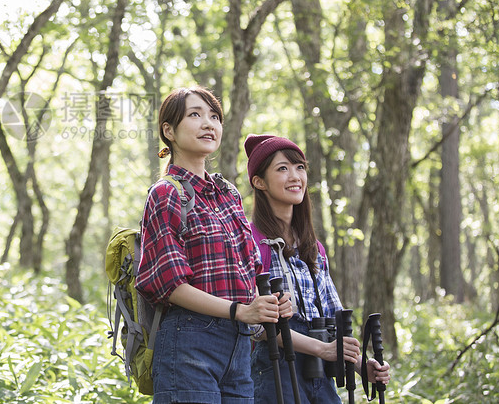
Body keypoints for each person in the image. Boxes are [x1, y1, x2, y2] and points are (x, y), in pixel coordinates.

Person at [136, 87, 292, 404]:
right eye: (195, 115)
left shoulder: (228, 194)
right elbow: (169, 285)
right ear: (169, 130)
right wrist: (241, 310)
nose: (209, 124)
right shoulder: (166, 193)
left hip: (239, 349)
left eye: (214, 116)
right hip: (188, 344)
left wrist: (269, 304)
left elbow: (249, 273)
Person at [243, 133, 391, 404]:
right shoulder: (251, 241)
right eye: (282, 169)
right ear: (259, 181)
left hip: (320, 371)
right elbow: (258, 327)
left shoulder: (314, 249)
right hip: (274, 370)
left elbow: (335, 319)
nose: (295, 176)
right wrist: (322, 349)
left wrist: (360, 366)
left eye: (300, 167)